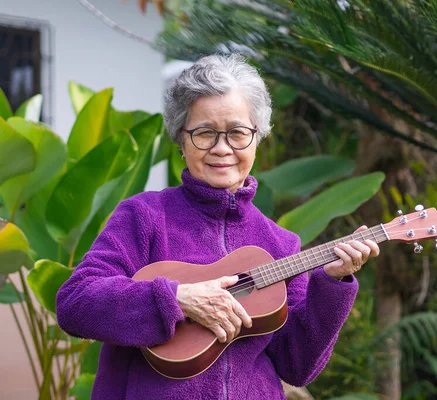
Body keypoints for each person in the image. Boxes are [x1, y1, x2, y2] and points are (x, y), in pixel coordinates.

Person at [56, 53, 380, 400]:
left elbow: (297, 366)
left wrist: (332, 284)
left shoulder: (281, 242)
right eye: (205, 133)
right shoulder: (145, 216)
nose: (222, 148)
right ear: (181, 139)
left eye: (238, 133)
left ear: (257, 137)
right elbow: (76, 303)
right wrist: (177, 298)